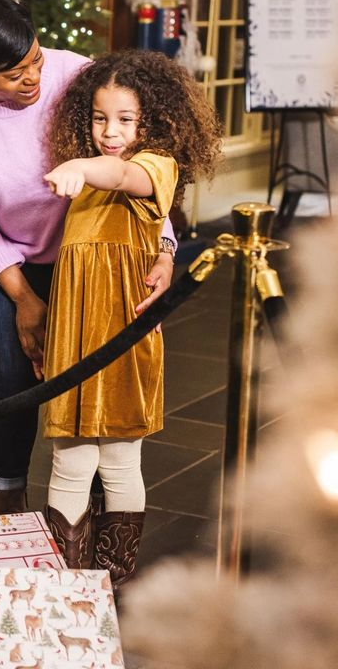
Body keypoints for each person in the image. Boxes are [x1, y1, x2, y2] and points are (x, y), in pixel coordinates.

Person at [0, 0, 178, 514]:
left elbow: (136, 164)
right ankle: (8, 502)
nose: (33, 77)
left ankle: (105, 506)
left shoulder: (75, 74)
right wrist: (23, 297)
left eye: (34, 58)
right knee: (14, 381)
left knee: (101, 377)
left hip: (103, 261)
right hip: (15, 262)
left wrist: (164, 246)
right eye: (14, 74)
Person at [41, 49, 220, 590]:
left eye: (125, 119)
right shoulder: (88, 188)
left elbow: (121, 171)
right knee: (68, 461)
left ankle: (113, 580)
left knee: (119, 461)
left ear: (154, 121)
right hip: (73, 338)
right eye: (99, 118)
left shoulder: (153, 168)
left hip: (122, 336)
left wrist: (80, 166)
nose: (109, 132)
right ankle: (69, 588)